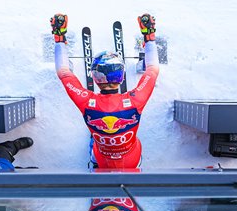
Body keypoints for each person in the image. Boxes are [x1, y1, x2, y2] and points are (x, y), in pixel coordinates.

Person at [50, 13, 160, 169]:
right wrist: (149, 36)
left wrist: (59, 37)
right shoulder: (136, 100)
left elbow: (63, 72)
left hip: (102, 158)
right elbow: (153, 69)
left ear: (95, 78)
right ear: (121, 77)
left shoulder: (86, 101)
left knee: (94, 144)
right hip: (131, 159)